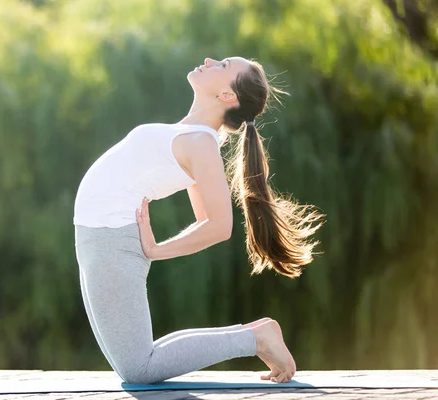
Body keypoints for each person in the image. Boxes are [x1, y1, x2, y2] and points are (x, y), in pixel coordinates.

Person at [73, 56, 325, 385]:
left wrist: (156, 249)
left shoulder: (202, 143)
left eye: (222, 66)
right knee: (135, 362)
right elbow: (204, 217)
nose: (210, 60)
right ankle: (254, 334)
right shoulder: (190, 134)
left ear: (227, 97)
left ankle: (257, 338)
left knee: (138, 369)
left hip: (113, 238)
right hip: (97, 236)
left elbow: (220, 226)